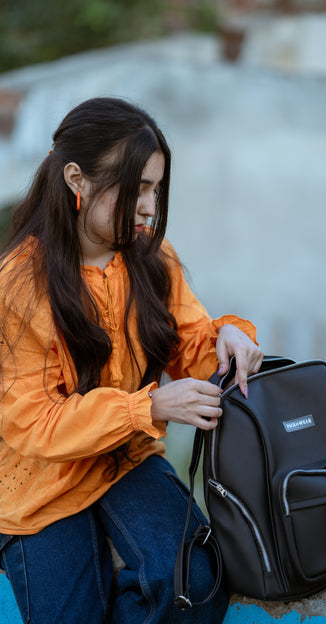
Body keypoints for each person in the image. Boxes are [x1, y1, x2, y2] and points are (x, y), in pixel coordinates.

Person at [0, 97, 263, 624]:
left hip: (124, 458)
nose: (149, 206)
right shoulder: (19, 285)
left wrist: (226, 335)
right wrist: (150, 407)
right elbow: (33, 424)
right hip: (39, 481)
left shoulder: (151, 257)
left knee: (197, 581)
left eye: (156, 188)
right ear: (77, 180)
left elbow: (189, 351)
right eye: (137, 187)